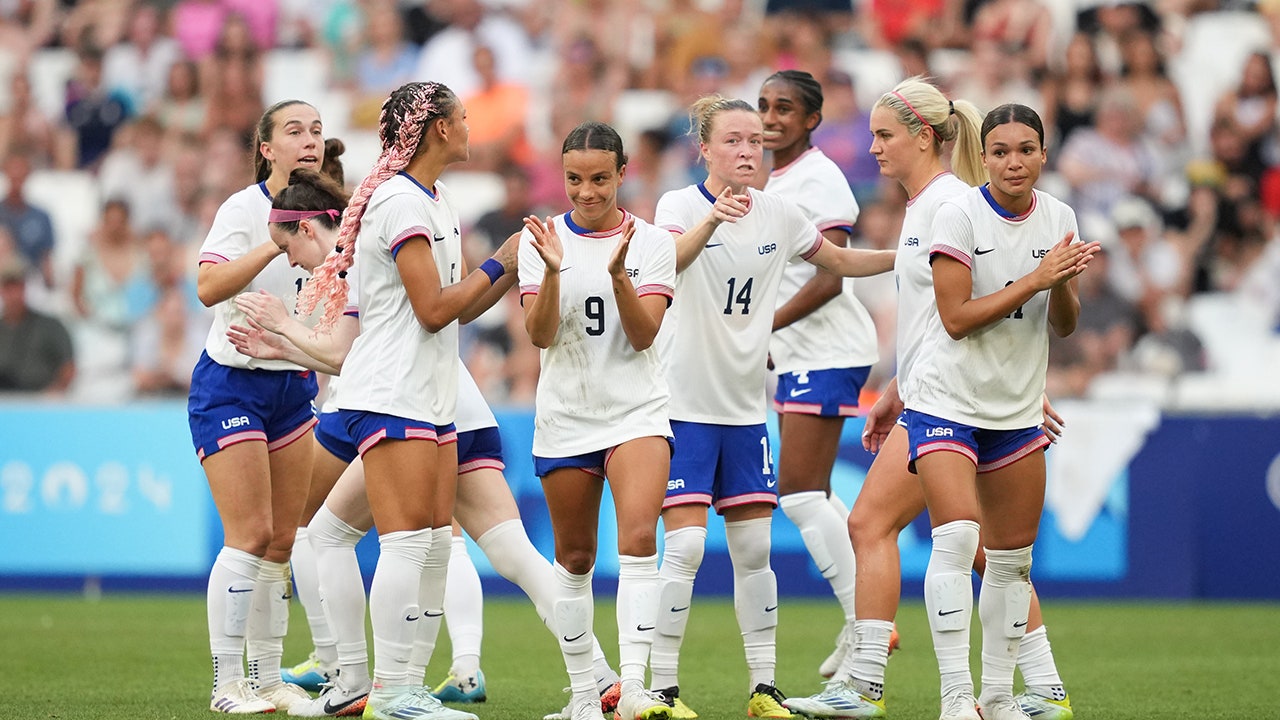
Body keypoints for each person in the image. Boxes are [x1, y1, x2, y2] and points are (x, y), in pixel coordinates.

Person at [230, 171, 623, 719]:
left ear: (310, 226)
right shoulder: (383, 238)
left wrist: (283, 332)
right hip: (457, 403)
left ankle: (358, 680)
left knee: (342, 537)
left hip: (413, 407)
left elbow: (357, 354)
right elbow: (358, 351)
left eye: (287, 245)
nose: (291, 262)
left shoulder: (366, 251)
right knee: (505, 551)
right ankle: (599, 673)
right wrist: (282, 345)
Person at [783, 79, 1075, 720]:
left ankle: (869, 685)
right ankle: (1041, 685)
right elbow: (925, 319)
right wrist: (895, 388)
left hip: (955, 403)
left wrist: (1021, 385)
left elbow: (981, 306)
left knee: (886, 528)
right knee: (971, 548)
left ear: (923, 135)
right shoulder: (927, 205)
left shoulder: (947, 204)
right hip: (936, 392)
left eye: (885, 135)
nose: (875, 147)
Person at [648, 95, 895, 720]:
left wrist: (911, 254)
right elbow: (666, 264)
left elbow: (836, 263)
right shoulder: (679, 207)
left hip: (743, 412)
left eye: (755, 140)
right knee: (684, 551)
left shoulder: (781, 214)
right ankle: (664, 690)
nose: (748, 151)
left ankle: (764, 688)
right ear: (704, 148)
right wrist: (714, 222)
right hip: (683, 407)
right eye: (733, 140)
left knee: (754, 552)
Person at [296, 80, 517, 720]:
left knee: (360, 536)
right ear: (440, 129)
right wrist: (502, 263)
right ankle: (392, 693)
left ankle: (359, 685)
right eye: (465, 117)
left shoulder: (432, 199)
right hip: (395, 392)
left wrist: (505, 272)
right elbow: (432, 310)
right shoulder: (401, 202)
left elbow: (457, 309)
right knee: (408, 541)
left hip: (421, 392)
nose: (472, 127)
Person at [906, 104, 1095, 720]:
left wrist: (1062, 282)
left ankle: (996, 696)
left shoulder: (1060, 215)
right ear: (983, 157)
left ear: (1044, 154)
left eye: (1027, 149)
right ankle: (956, 698)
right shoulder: (957, 214)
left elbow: (1063, 327)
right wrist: (1039, 278)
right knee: (958, 538)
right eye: (1002, 150)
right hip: (946, 398)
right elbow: (956, 320)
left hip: (1014, 407)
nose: (1015, 161)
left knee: (1013, 562)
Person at [518, 120, 676, 720]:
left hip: (636, 411)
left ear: (622, 174)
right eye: (575, 179)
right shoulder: (542, 240)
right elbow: (539, 334)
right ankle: (586, 692)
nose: (586, 192)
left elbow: (643, 336)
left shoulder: (651, 243)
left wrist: (617, 277)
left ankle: (634, 685)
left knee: (638, 543)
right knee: (575, 558)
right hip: (566, 415)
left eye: (600, 179)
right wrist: (555, 270)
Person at [188, 99, 333, 715]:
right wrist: (276, 244)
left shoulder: (334, 213)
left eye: (317, 131)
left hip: (292, 385)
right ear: (266, 149)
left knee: (281, 539)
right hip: (232, 384)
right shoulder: (244, 209)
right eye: (294, 131)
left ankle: (267, 680)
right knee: (248, 534)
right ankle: (227, 686)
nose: (309, 140)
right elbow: (207, 287)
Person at [756, 69, 879, 680]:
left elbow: (831, 276)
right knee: (814, 493)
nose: (770, 117)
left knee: (800, 493)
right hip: (797, 353)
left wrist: (762, 327)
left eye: (785, 108)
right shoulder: (758, 180)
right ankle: (861, 620)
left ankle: (867, 624)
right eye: (762, 107)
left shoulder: (819, 177)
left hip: (828, 349)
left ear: (811, 120)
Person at [0, 257, 74, 394]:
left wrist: (51, 395)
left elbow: (68, 368)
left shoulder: (50, 326)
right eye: (8, 288)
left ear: (25, 287)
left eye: (17, 286)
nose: (13, 294)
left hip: (40, 403)